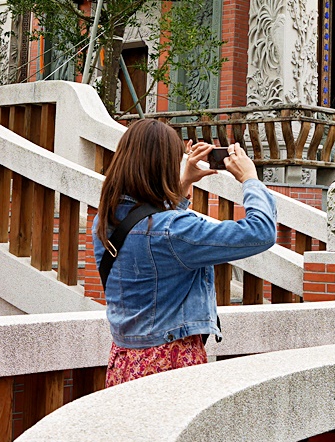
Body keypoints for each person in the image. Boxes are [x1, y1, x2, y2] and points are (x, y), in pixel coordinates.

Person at [93, 119, 275, 386]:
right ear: (163, 166)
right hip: (170, 362)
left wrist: (184, 182)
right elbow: (260, 232)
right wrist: (250, 179)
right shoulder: (173, 231)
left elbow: (152, 231)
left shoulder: (105, 220)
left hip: (124, 361)